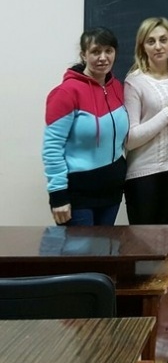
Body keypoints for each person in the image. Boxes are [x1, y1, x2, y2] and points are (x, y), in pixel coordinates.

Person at [43, 27, 129, 226]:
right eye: (95, 51)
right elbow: (52, 148)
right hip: (78, 194)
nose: (103, 57)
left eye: (108, 51)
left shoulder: (117, 87)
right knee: (81, 247)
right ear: (83, 55)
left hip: (111, 192)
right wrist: (58, 195)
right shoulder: (65, 93)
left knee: (105, 246)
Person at [124, 17, 168, 225]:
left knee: (164, 237)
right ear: (142, 46)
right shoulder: (134, 82)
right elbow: (130, 139)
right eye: (151, 41)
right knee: (141, 238)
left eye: (163, 40)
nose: (158, 46)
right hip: (143, 174)